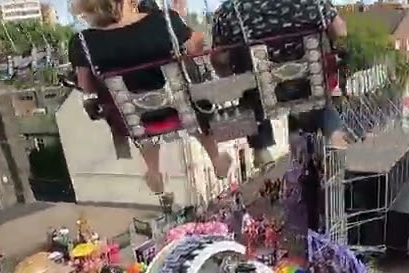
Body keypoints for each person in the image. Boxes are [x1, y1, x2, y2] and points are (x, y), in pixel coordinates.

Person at [68, 0, 230, 197]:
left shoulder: (82, 42)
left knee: (136, 119)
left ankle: (153, 171)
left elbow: (87, 86)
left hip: (136, 121)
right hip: (182, 111)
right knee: (195, 101)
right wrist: (182, 32)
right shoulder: (164, 20)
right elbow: (196, 47)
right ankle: (216, 159)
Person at [209, 0, 348, 157]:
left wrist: (228, 72)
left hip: (262, 94)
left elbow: (219, 58)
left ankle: (261, 149)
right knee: (319, 86)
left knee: (250, 93)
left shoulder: (228, 10)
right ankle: (334, 133)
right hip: (309, 82)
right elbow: (340, 32)